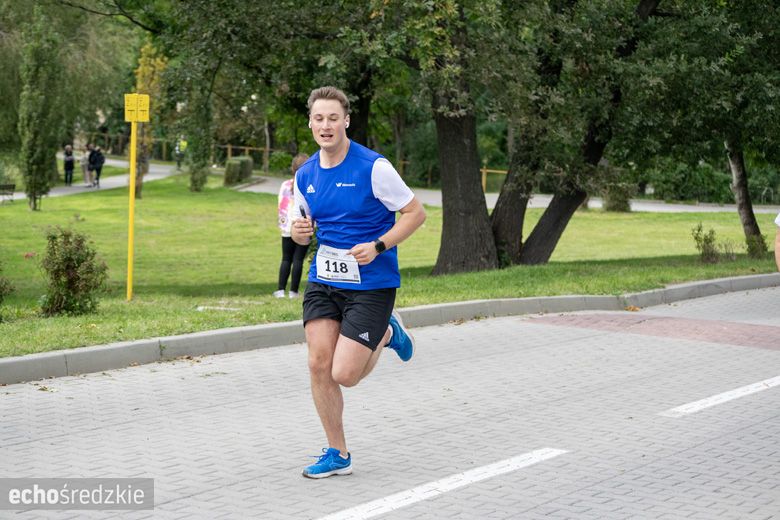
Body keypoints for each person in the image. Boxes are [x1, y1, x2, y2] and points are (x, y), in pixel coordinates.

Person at [291, 86, 426, 479]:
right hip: (324, 279)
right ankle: (338, 453)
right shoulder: (305, 174)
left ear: (346, 121)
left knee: (345, 374)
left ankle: (387, 332)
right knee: (319, 363)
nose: (326, 125)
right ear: (310, 123)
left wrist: (379, 245)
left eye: (333, 118)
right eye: (319, 118)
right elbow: (303, 228)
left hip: (372, 282)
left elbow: (416, 213)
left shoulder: (374, 167)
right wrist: (299, 233)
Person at [274, 153, 311, 299]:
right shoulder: (308, 185)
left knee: (286, 258)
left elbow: (281, 205)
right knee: (298, 260)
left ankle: (280, 290)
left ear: (292, 168)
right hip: (302, 227)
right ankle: (293, 291)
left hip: (286, 227)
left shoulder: (285, 185)